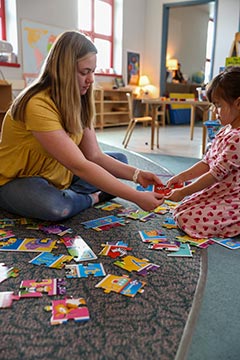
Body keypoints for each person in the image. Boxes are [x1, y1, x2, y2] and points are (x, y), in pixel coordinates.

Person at [0, 30, 164, 222]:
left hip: (59, 174)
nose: (91, 79)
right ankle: (90, 198)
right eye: (84, 72)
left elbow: (94, 155)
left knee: (120, 160)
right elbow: (79, 164)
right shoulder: (37, 104)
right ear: (64, 71)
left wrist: (138, 175)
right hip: (17, 179)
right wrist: (136, 197)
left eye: (93, 71)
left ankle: (72, 198)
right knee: (56, 208)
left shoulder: (78, 100)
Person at [166, 66, 240, 239]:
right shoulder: (226, 130)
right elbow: (207, 163)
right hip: (220, 190)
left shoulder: (237, 138)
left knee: (186, 218)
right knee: (181, 209)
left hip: (232, 196)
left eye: (218, 105)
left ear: (238, 103)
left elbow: (214, 174)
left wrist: (184, 192)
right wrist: (182, 177)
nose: (214, 112)